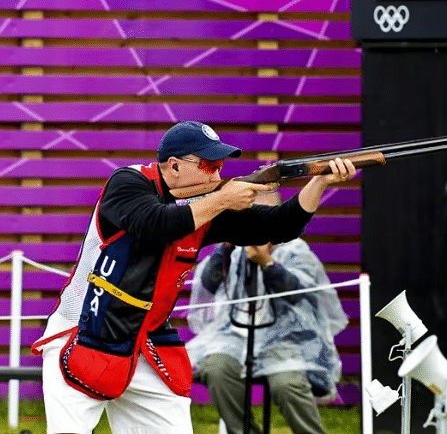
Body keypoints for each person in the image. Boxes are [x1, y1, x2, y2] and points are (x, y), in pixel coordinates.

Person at [30, 120, 355, 434]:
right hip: (84, 333)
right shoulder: (127, 183)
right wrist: (222, 199)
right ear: (173, 165)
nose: (217, 173)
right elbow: (156, 224)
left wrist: (319, 182)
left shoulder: (207, 204)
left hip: (147, 342)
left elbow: (278, 226)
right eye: (207, 164)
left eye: (219, 166)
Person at [186, 191, 348, 434]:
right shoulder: (233, 246)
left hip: (287, 338)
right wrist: (225, 248)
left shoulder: (296, 250)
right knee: (216, 368)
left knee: (287, 384)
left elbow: (302, 296)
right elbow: (207, 286)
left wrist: (268, 265)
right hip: (235, 335)